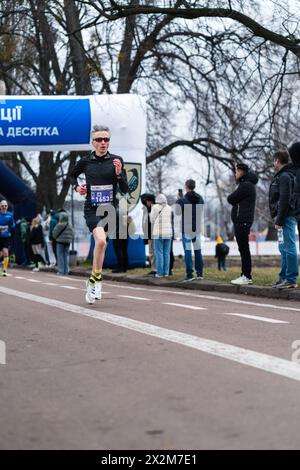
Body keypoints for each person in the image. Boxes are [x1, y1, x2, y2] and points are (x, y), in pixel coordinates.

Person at [69, 125, 128, 304]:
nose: (103, 143)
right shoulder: (85, 162)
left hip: (110, 210)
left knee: (102, 245)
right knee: (101, 241)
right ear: (92, 142)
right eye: (99, 140)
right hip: (92, 208)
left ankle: (93, 280)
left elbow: (125, 190)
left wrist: (119, 175)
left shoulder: (117, 160)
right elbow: (72, 176)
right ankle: (98, 280)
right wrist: (77, 187)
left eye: (106, 139)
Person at [269, 149, 298, 289]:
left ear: (277, 160)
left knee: (289, 247)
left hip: (286, 217)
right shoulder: (282, 176)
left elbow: (284, 199)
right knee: (283, 248)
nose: (273, 163)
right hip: (282, 217)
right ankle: (283, 277)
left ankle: (291, 279)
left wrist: (279, 219)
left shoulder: (285, 176)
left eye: (274, 160)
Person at [227, 163, 258, 285]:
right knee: (243, 249)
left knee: (244, 249)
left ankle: (246, 275)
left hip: (242, 221)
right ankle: (245, 275)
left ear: (241, 171)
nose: (235, 174)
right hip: (242, 221)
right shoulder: (245, 185)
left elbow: (231, 198)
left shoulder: (245, 186)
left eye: (236, 171)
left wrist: (235, 201)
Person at [176, 179, 204, 281]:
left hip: (186, 229)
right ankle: (200, 273)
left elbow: (178, 213)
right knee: (198, 251)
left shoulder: (183, 199)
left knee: (187, 252)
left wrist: (179, 199)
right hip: (196, 229)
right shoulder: (200, 198)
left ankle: (189, 275)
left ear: (186, 186)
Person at [150, 193, 173, 278]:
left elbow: (152, 219)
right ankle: (166, 272)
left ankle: (159, 273)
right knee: (166, 253)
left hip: (158, 233)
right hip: (168, 233)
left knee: (159, 253)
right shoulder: (169, 208)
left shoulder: (155, 207)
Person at [141, 193, 156, 275]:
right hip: (148, 233)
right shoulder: (145, 209)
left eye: (146, 201)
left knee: (154, 251)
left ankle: (156, 269)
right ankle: (153, 268)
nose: (146, 203)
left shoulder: (154, 209)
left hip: (153, 233)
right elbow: (144, 221)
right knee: (151, 252)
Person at [0, 200, 15, 276]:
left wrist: (11, 224)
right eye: (2, 206)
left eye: (5, 206)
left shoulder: (10, 215)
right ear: (0, 206)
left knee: (6, 252)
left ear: (7, 206)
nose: (4, 207)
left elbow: (13, 225)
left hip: (6, 237)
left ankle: (5, 270)